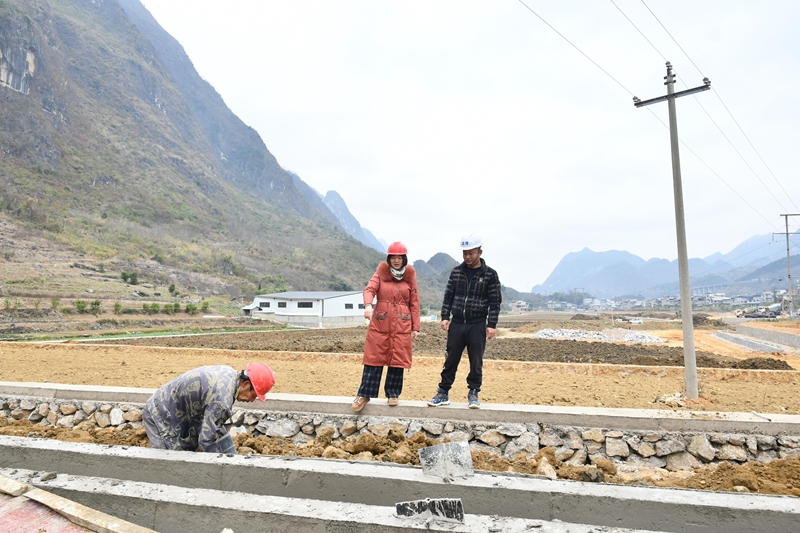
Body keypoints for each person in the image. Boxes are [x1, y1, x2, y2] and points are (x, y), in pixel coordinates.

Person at [428, 232, 501, 409]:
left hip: (477, 324)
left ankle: (473, 392)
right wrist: (445, 317)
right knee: (451, 359)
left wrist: (491, 325)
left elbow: (495, 301)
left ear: (480, 252)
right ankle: (443, 392)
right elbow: (448, 296)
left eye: (471, 252)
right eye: (465, 253)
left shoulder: (490, 275)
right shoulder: (457, 272)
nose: (468, 256)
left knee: (476, 360)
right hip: (457, 323)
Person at [143, 362, 275, 453]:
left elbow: (214, 428)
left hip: (178, 413)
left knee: (216, 433)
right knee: (167, 465)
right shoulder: (222, 400)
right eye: (254, 395)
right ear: (245, 384)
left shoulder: (229, 374)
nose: (252, 400)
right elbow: (206, 441)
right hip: (159, 416)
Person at [352, 241, 421, 411]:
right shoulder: (380, 274)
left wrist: (415, 327)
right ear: (388, 258)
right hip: (381, 322)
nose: (396, 261)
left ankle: (393, 393)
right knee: (374, 358)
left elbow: (415, 302)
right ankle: (364, 394)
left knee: (397, 359)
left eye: (399, 257)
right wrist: (368, 305)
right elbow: (369, 290)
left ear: (404, 259)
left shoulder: (410, 277)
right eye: (393, 257)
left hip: (402, 323)